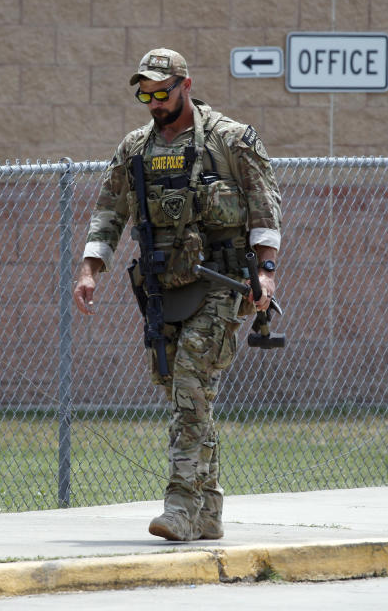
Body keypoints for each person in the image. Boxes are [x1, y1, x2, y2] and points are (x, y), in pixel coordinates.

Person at [72, 49, 282, 541]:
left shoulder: (230, 140)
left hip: (220, 284)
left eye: (161, 90)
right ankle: (209, 510)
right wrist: (89, 270)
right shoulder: (135, 149)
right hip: (162, 289)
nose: (152, 100)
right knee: (187, 397)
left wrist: (266, 274)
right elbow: (108, 212)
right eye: (144, 92)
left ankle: (180, 508)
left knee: (189, 381)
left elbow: (265, 209)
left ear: (185, 85)